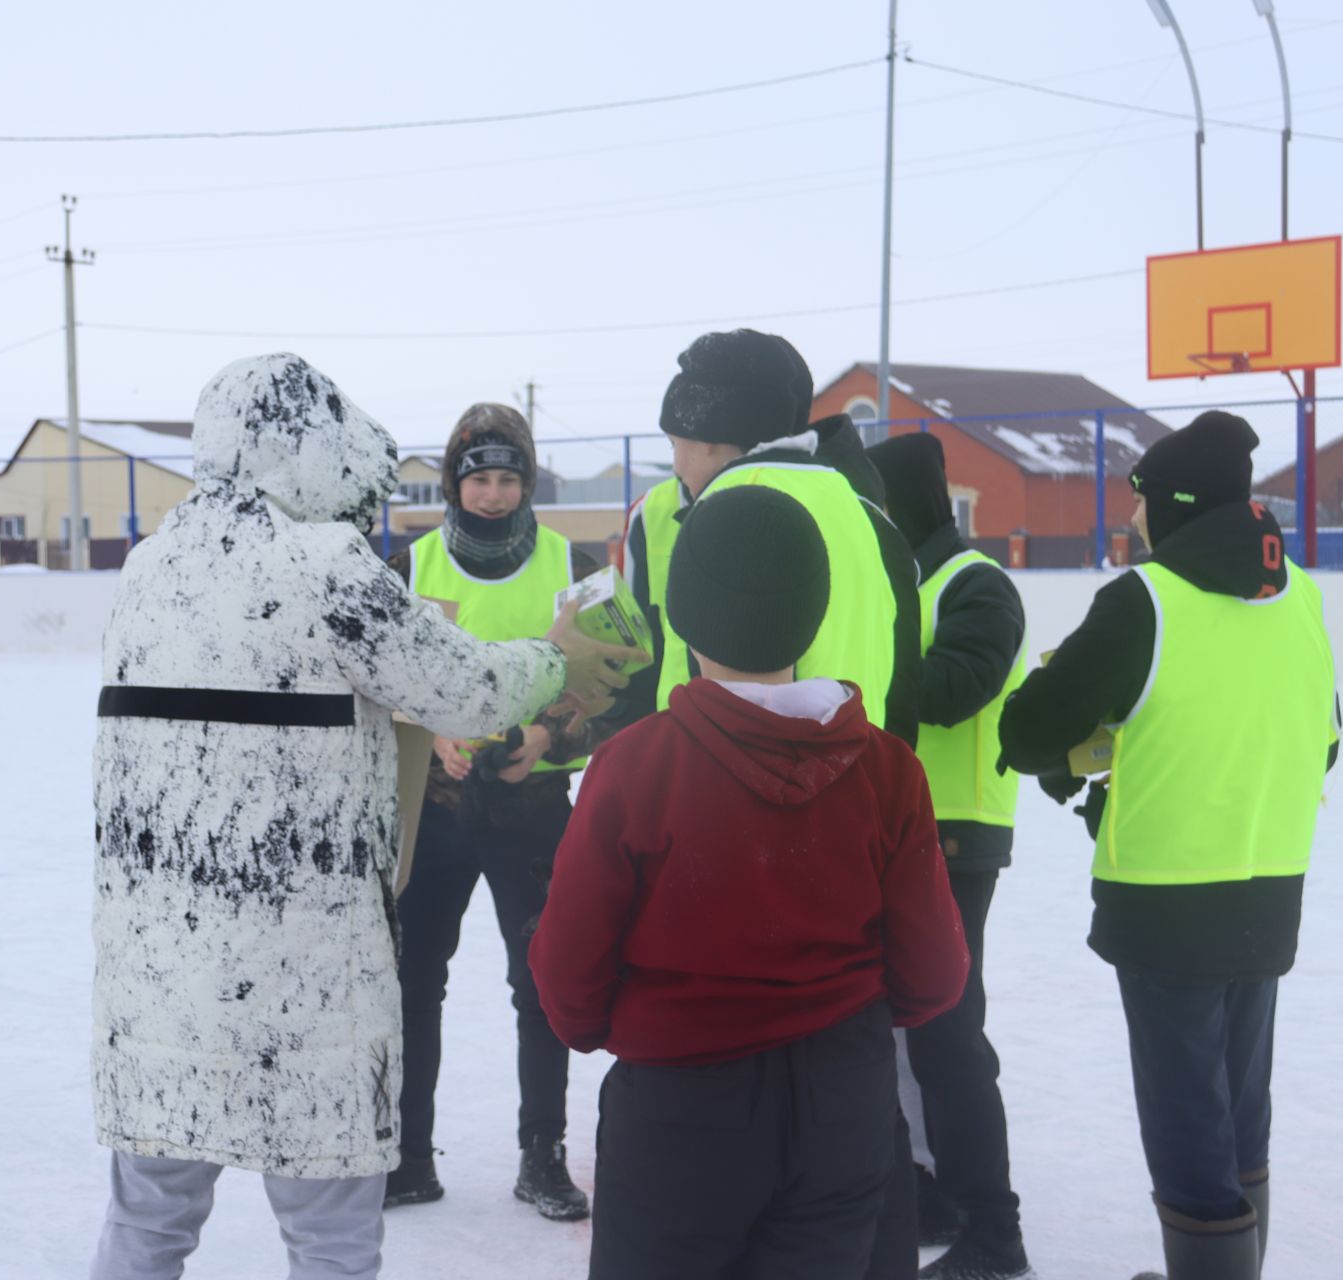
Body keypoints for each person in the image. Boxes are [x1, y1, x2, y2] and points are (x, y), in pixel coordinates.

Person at [88, 355, 643, 1280]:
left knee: (147, 1225)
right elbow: (463, 690)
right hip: (306, 983)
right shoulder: (326, 567)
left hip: (158, 978)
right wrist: (553, 661)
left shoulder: (149, 567)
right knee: (332, 1239)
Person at [531, 485, 969, 1280]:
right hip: (845, 1102)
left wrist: (645, 1028)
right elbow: (934, 975)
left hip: (680, 1110)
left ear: (685, 614)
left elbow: (567, 977)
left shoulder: (635, 765)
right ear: (814, 609)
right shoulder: (887, 769)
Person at [998, 412, 1339, 1280]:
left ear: (1172, 505)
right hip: (1269, 881)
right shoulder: (1300, 594)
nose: (1135, 520)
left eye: (1141, 501)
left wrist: (1087, 734)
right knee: (1238, 1094)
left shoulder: (1145, 598)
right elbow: (1325, 737)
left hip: (1166, 893)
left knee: (1185, 1104)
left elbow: (1034, 731)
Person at [383, 404, 611, 1221]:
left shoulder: (573, 563)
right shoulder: (409, 565)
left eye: (508, 477)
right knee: (413, 983)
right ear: (453, 481)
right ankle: (409, 1158)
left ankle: (542, 1159)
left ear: (528, 481)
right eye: (478, 477)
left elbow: (610, 680)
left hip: (534, 803)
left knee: (542, 985)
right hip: (437, 806)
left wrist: (548, 736)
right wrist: (433, 729)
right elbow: (378, 681)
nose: (492, 493)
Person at [868, 432, 1032, 1280]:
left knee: (947, 1035)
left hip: (956, 836)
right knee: (901, 1032)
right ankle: (928, 1187)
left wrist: (852, 675)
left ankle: (992, 1232)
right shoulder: (907, 584)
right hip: (895, 831)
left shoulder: (976, 586)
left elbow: (959, 686)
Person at [618, 329, 919, 746]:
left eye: (675, 444)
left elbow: (717, 676)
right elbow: (905, 667)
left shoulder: (733, 510)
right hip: (857, 776)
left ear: (707, 438)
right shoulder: (858, 505)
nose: (676, 466)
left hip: (745, 787)